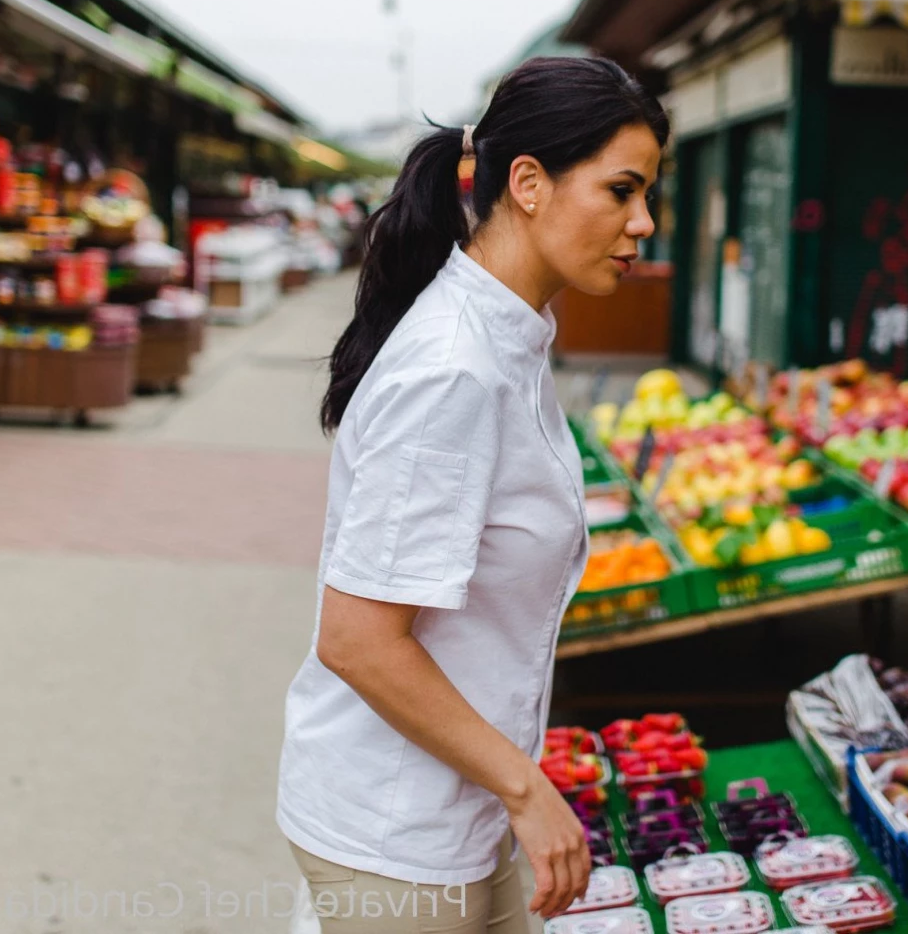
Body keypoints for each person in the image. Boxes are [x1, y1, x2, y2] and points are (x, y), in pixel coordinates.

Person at [277, 57, 669, 934]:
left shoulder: (509, 338)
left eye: (646, 193)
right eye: (621, 190)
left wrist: (511, 785)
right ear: (527, 183)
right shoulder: (454, 369)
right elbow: (360, 640)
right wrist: (527, 789)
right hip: (396, 835)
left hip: (464, 810)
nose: (643, 223)